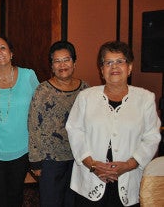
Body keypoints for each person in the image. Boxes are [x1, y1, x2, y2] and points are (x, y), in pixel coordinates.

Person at [66, 41, 161, 207]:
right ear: (102, 70)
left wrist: (129, 165)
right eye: (108, 62)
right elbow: (75, 131)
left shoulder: (145, 99)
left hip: (128, 178)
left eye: (120, 61)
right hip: (90, 178)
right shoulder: (86, 97)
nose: (114, 67)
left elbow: (151, 137)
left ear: (129, 67)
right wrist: (93, 165)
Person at [0, 34, 39, 207]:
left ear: (11, 52)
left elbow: (39, 109)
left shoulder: (28, 76)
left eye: (2, 48)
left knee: (15, 194)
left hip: (21, 148)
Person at [28, 41, 89, 207]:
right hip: (50, 161)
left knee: (73, 201)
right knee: (51, 201)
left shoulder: (85, 90)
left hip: (78, 159)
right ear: (52, 66)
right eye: (57, 61)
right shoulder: (42, 91)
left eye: (66, 60)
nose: (62, 65)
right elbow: (33, 126)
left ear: (74, 62)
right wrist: (36, 161)